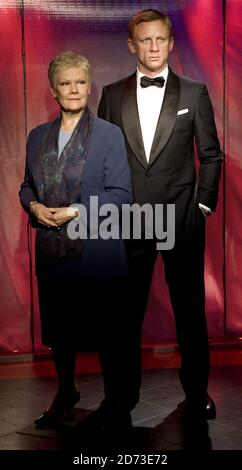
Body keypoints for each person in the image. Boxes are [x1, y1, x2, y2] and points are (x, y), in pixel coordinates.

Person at [98, 9, 223, 421]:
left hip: (181, 220)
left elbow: (210, 153)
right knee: (123, 316)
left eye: (160, 40)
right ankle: (121, 397)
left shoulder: (194, 92)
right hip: (130, 221)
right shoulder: (112, 95)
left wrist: (202, 203)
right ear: (132, 45)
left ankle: (197, 393)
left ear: (170, 44)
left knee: (189, 311)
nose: (153, 47)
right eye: (145, 40)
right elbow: (103, 158)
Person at [19, 51, 132, 429]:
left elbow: (121, 195)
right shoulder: (37, 137)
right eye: (65, 83)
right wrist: (34, 207)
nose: (73, 89)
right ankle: (66, 393)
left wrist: (75, 212)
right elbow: (25, 187)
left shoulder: (109, 134)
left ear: (89, 86)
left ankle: (116, 405)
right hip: (53, 251)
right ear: (54, 90)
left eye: (80, 82)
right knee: (60, 331)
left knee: (106, 333)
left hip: (96, 251)